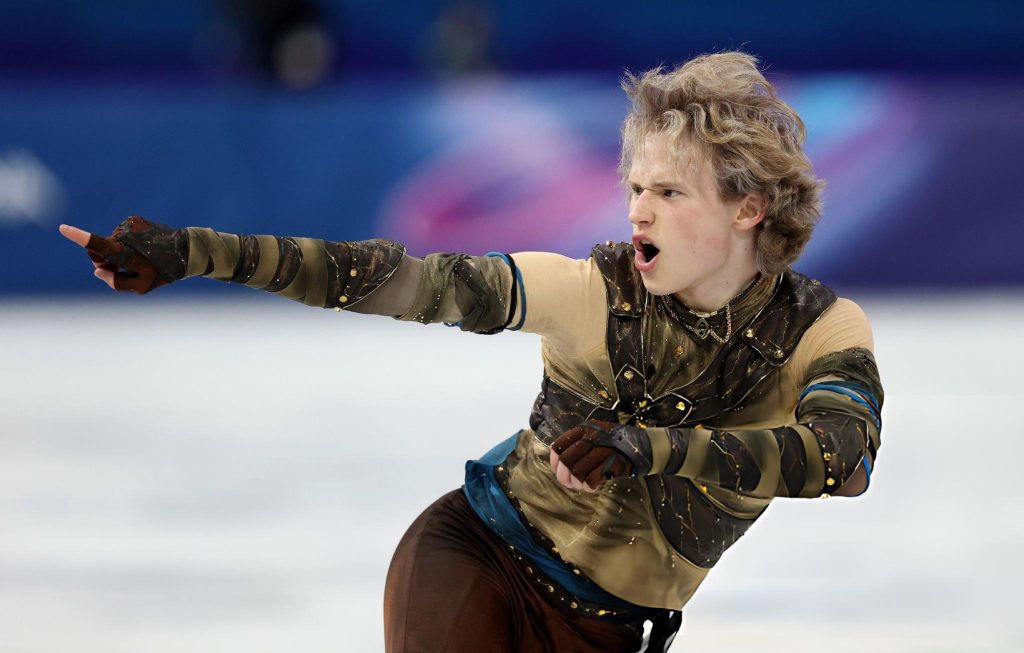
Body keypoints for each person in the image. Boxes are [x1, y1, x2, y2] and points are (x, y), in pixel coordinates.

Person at [60, 51, 883, 653]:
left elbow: (841, 461)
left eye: (669, 192)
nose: (638, 211)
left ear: (749, 206)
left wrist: (651, 448)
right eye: (636, 187)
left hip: (614, 630)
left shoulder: (821, 331)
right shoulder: (588, 290)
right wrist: (196, 251)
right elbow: (392, 280)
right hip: (479, 556)